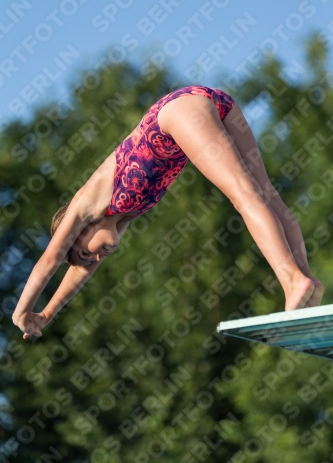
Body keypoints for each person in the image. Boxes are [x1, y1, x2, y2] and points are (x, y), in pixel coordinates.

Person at [12, 85, 324, 339]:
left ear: (80, 230)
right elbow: (79, 272)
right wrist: (46, 315)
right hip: (213, 104)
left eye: (84, 252)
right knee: (266, 194)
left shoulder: (86, 202)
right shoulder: (123, 217)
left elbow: (51, 259)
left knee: (244, 196)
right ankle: (307, 281)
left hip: (180, 113)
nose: (95, 259)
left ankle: (292, 280)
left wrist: (21, 311)